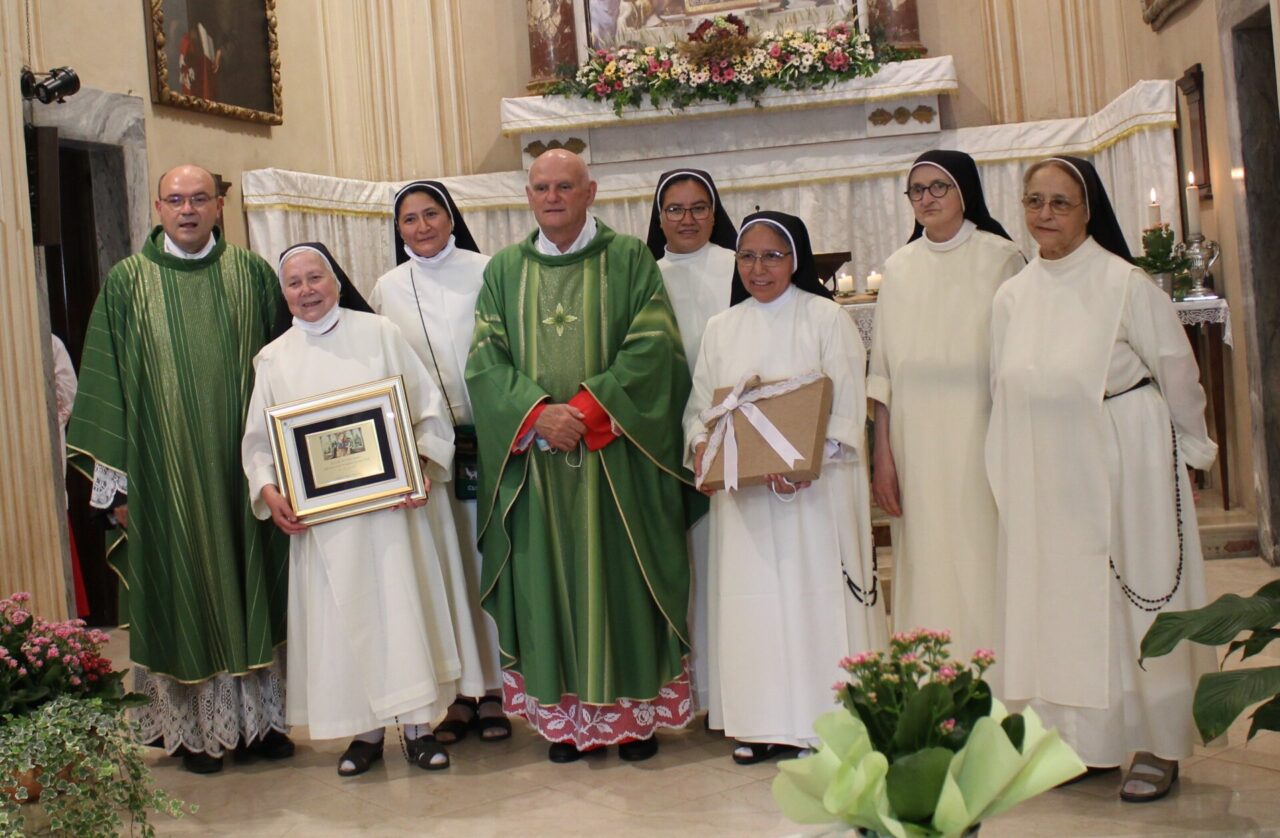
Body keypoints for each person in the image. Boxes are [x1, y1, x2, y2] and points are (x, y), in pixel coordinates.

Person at [986, 156, 1217, 802]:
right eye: (1035, 202)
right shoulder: (1011, 296)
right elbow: (1001, 388)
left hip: (1127, 456)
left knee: (1136, 599)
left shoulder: (1124, 283)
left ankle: (1157, 743)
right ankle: (1087, 743)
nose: (1045, 215)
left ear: (1088, 210)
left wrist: (1193, 451)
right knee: (1068, 607)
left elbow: (1175, 368)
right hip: (1047, 468)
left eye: (1060, 202)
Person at [466, 149, 700, 764]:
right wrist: (539, 415)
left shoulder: (629, 261)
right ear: (527, 196)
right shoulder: (504, 272)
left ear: (590, 191)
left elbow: (655, 351)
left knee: (622, 580)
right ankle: (565, 722)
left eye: (564, 186)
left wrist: (590, 413)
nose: (552, 197)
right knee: (548, 582)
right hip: (538, 465)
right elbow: (485, 363)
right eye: (541, 187)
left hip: (616, 463)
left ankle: (633, 718)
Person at [67, 164, 292, 774]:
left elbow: (290, 365)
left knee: (259, 587)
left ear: (220, 206)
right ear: (159, 209)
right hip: (165, 478)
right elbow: (105, 385)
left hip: (247, 471)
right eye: (175, 199)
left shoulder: (252, 275)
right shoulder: (127, 283)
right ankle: (193, 730)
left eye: (200, 199)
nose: (188, 210)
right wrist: (117, 488)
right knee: (185, 584)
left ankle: (263, 721)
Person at [242, 243, 468, 777]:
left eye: (315, 277)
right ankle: (364, 734)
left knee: (400, 613)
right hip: (326, 527)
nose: (306, 290)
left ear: (337, 282)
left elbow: (429, 411)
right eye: (294, 283)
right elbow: (258, 443)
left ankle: (418, 730)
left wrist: (422, 468)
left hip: (391, 515)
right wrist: (270, 491)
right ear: (284, 295)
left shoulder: (380, 335)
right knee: (342, 626)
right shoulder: (274, 358)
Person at [684, 211, 887, 764]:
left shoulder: (825, 319)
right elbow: (700, 408)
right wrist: (702, 449)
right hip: (744, 500)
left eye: (772, 255)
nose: (758, 268)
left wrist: (805, 461)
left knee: (810, 602)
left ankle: (822, 725)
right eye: (747, 256)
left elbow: (847, 405)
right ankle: (760, 723)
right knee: (754, 608)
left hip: (812, 497)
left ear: (795, 258)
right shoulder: (721, 328)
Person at [866, 150, 1024, 655]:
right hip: (915, 444)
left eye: (939, 188)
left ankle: (994, 671)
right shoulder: (898, 267)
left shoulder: (1002, 258)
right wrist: (883, 457)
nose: (927, 199)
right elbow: (883, 375)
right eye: (918, 190)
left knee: (982, 555)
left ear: (965, 193)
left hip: (982, 435)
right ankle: (931, 675)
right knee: (927, 558)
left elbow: (1016, 366)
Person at [369, 181, 510, 744]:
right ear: (397, 229)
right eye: (410, 219)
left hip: (492, 440)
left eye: (432, 215)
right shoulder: (387, 288)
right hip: (426, 455)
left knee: (487, 563)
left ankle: (498, 692)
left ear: (452, 218)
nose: (422, 227)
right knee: (444, 568)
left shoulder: (489, 270)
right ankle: (457, 696)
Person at [645, 168, 737, 713]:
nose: (687, 218)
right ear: (659, 218)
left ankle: (731, 691)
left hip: (734, 436)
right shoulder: (646, 275)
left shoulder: (741, 264)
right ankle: (696, 693)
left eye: (699, 207)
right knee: (684, 567)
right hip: (663, 438)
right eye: (675, 209)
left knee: (727, 564)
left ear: (714, 210)